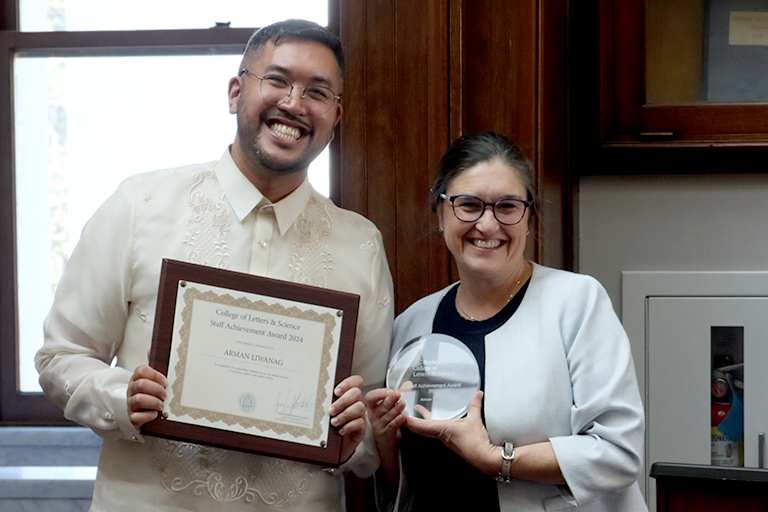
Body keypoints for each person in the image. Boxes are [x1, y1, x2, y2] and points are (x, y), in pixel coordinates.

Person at [35, 19, 394, 512]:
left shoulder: (361, 245)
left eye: (317, 91)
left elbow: (373, 421)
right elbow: (60, 359)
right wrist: (123, 397)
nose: (293, 102)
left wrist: (361, 432)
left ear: (336, 116)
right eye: (277, 80)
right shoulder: (140, 205)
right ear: (235, 92)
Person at [366, 132, 647, 511]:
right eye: (468, 205)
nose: (487, 224)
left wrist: (495, 459)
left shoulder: (577, 303)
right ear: (440, 212)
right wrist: (386, 441)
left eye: (508, 206)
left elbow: (619, 452)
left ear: (529, 216)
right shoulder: (412, 323)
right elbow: (406, 486)